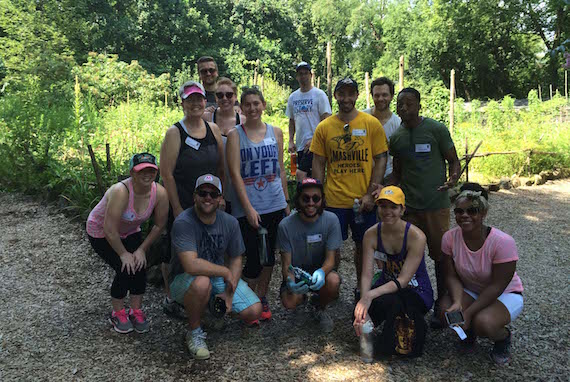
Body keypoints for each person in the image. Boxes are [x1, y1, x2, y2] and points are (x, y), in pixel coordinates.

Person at [169, 174, 262, 360]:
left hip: (216, 277)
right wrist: (225, 271)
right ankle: (194, 331)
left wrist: (230, 290)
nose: (208, 198)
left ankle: (212, 308)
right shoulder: (183, 222)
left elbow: (236, 258)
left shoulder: (230, 222)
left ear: (220, 198)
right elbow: (191, 265)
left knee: (254, 311)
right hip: (184, 278)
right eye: (203, 193)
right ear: (194, 196)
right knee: (202, 282)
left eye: (213, 194)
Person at [310, 77, 388, 298]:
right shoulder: (325, 127)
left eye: (350, 93)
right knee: (331, 248)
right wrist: (318, 196)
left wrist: (372, 192)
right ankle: (329, 288)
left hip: (364, 201)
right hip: (334, 200)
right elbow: (318, 162)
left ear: (356, 96)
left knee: (364, 247)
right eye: (341, 94)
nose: (346, 98)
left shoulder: (371, 123)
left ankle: (361, 289)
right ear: (335, 96)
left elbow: (381, 157)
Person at [388, 87, 460, 325]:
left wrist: (453, 179)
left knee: (441, 257)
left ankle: (443, 303)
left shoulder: (436, 130)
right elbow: (397, 173)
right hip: (409, 208)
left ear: (419, 105)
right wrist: (382, 191)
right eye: (400, 105)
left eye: (409, 103)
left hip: (435, 206)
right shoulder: (397, 138)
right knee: (408, 256)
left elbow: (453, 161)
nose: (404, 108)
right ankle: (414, 301)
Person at [159, 81, 225, 318]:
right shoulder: (175, 132)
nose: (196, 103)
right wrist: (177, 208)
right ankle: (172, 297)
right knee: (177, 252)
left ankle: (203, 294)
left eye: (199, 99)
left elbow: (221, 166)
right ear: (183, 103)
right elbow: (165, 172)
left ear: (204, 101)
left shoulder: (213, 129)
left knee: (207, 248)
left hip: (208, 201)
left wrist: (222, 195)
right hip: (183, 199)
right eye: (190, 100)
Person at [439, 183, 524, 365]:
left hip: (504, 293)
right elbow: (451, 276)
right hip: (471, 289)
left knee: (483, 322)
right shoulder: (449, 238)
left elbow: (497, 285)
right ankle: (468, 334)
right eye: (459, 211)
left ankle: (502, 338)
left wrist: (468, 312)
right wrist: (456, 301)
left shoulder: (503, 242)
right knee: (445, 311)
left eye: (472, 211)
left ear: (483, 213)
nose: (465, 216)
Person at [226, 87, 290, 322]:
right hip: (249, 207)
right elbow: (234, 174)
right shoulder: (235, 135)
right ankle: (246, 299)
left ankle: (261, 297)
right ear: (241, 108)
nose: (252, 108)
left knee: (269, 256)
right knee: (253, 257)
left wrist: (286, 201)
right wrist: (248, 208)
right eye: (247, 104)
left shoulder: (276, 132)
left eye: (256, 103)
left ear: (263, 105)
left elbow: (280, 169)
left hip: (274, 203)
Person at [86, 153, 169, 334]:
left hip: (129, 230)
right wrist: (123, 254)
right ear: (132, 172)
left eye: (151, 170)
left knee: (140, 266)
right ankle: (118, 312)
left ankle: (136, 310)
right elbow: (109, 229)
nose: (147, 175)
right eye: (141, 171)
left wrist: (141, 250)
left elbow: (159, 224)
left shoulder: (159, 193)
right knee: (125, 268)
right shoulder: (121, 191)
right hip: (101, 231)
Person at [353, 186, 433, 355]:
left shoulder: (416, 236)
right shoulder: (371, 234)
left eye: (393, 207)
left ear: (402, 209)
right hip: (386, 285)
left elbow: (403, 280)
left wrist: (369, 295)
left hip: (415, 289)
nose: (387, 211)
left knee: (397, 309)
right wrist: (363, 302)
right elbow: (367, 273)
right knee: (361, 313)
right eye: (383, 206)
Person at [277, 178, 342, 333]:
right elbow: (286, 264)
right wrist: (290, 282)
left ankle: (319, 307)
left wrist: (321, 272)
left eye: (316, 198)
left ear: (322, 200)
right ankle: (301, 297)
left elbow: (331, 259)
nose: (311, 203)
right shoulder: (285, 226)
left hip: (321, 270)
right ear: (298, 200)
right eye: (305, 198)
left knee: (333, 281)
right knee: (290, 301)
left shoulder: (332, 220)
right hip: (298, 272)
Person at [203, 77, 245, 214]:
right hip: (215, 178)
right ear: (215, 98)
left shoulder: (243, 120)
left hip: (237, 178)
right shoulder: (207, 118)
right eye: (220, 95)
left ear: (235, 96)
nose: (225, 98)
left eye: (229, 95)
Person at [286, 62, 332, 181]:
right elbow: (292, 120)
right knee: (310, 179)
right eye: (300, 74)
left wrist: (315, 139)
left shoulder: (319, 95)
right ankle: (312, 199)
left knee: (301, 175)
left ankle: (304, 198)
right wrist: (291, 140)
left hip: (316, 145)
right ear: (297, 77)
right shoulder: (293, 97)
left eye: (306, 73)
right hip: (301, 145)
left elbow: (327, 120)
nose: (303, 77)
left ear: (311, 75)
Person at [362, 77, 401, 185]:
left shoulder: (397, 124)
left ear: (392, 96)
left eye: (384, 95)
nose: (380, 99)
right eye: (377, 95)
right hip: (361, 176)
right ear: (372, 96)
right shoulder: (361, 118)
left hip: (387, 178)